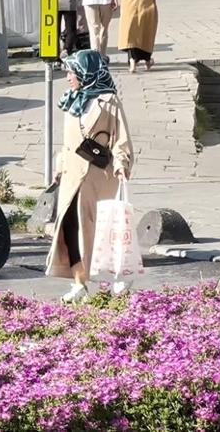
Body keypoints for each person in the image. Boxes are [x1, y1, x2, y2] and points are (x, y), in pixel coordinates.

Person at [46, 49, 133, 302]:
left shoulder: (109, 101)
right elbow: (67, 141)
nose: (68, 77)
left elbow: (121, 137)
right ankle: (79, 283)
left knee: (101, 228)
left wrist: (122, 163)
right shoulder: (71, 100)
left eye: (72, 72)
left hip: (99, 175)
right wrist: (59, 166)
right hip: (73, 175)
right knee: (69, 227)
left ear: (86, 72)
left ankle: (116, 277)